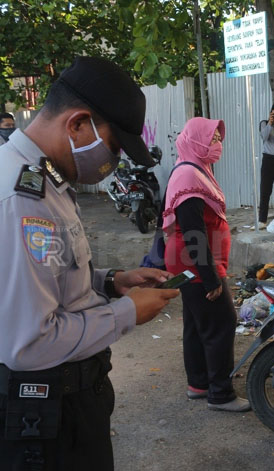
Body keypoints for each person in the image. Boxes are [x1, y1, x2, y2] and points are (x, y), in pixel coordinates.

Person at [0, 57, 180, 470]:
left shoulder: (48, 181)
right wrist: (126, 313)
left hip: (73, 404)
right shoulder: (23, 200)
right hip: (46, 422)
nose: (113, 161)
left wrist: (111, 281)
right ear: (78, 124)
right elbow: (30, 345)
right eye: (114, 146)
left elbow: (50, 276)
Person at [162, 117, 250, 412]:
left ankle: (199, 384)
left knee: (197, 323)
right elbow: (193, 233)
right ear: (196, 141)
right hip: (196, 264)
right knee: (222, 323)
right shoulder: (189, 177)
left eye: (217, 139)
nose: (217, 145)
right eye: (212, 139)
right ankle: (220, 394)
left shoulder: (196, 171)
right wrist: (211, 279)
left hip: (188, 264)